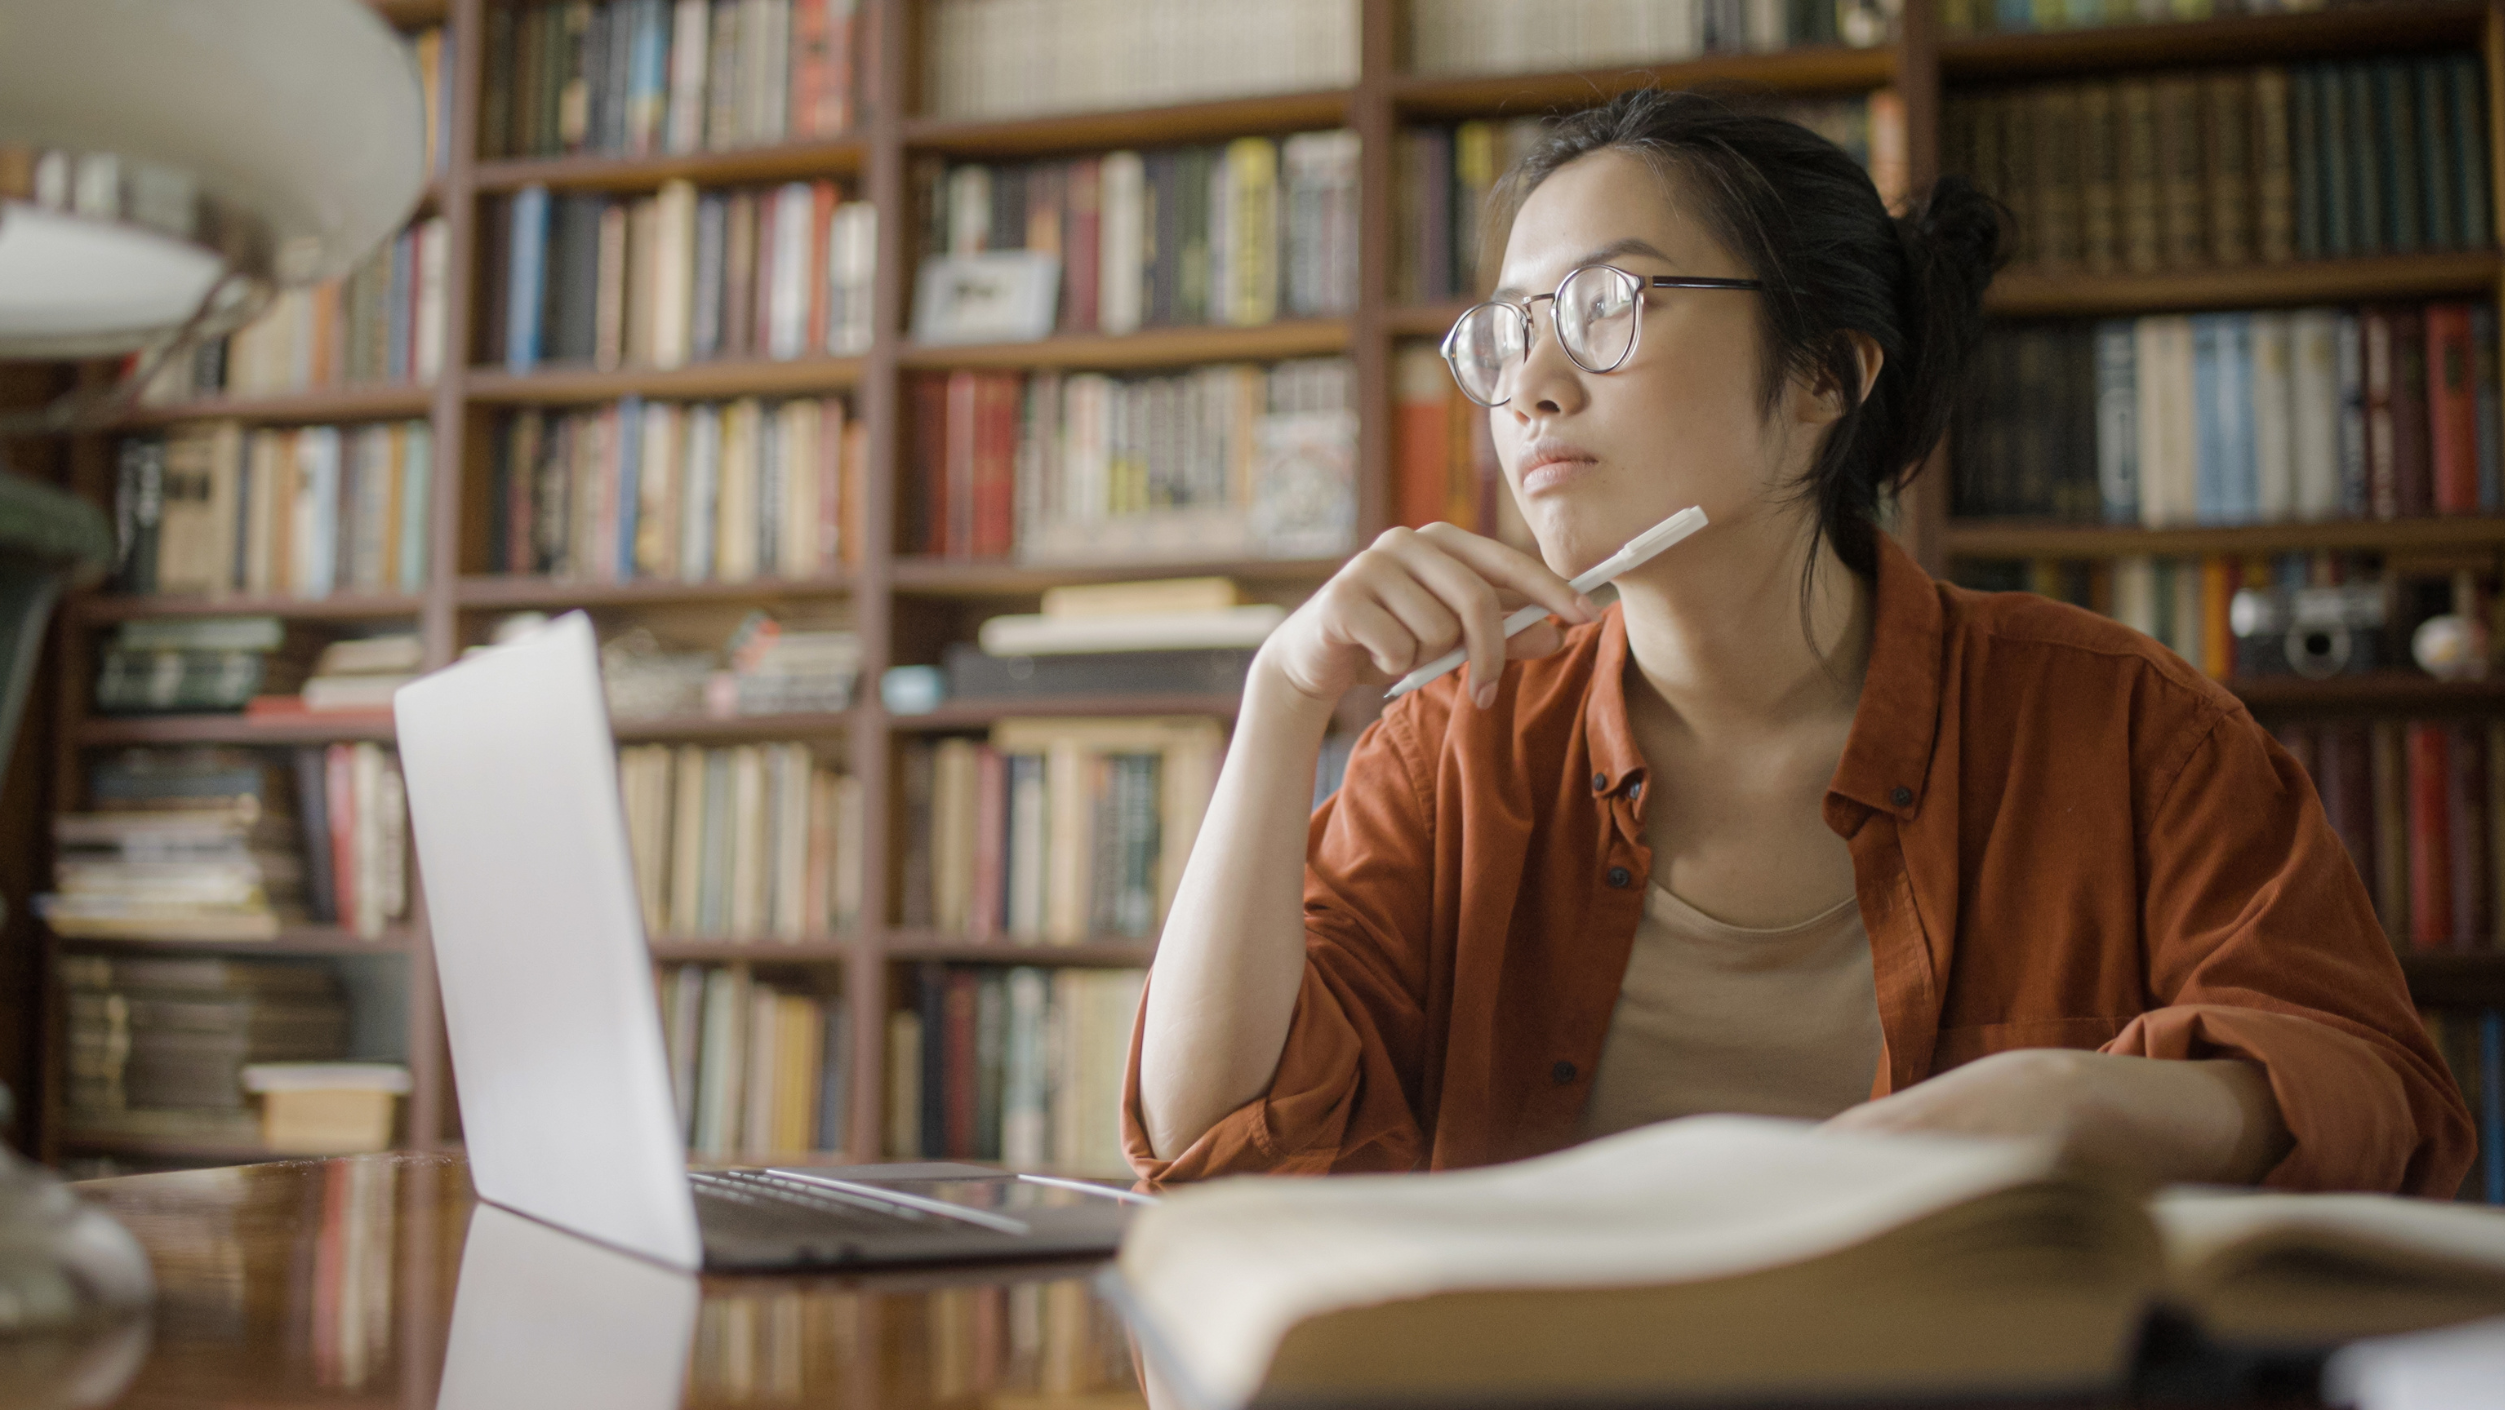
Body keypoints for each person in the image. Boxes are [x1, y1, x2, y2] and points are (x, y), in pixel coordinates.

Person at [1124, 87, 2473, 1195]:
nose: (1531, 386)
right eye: (1508, 336)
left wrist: (2069, 1102)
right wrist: (1284, 696)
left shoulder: (2122, 725)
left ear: (1827, 372)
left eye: (1607, 310)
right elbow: (1217, 1137)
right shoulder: (1455, 746)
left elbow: (2383, 1106)